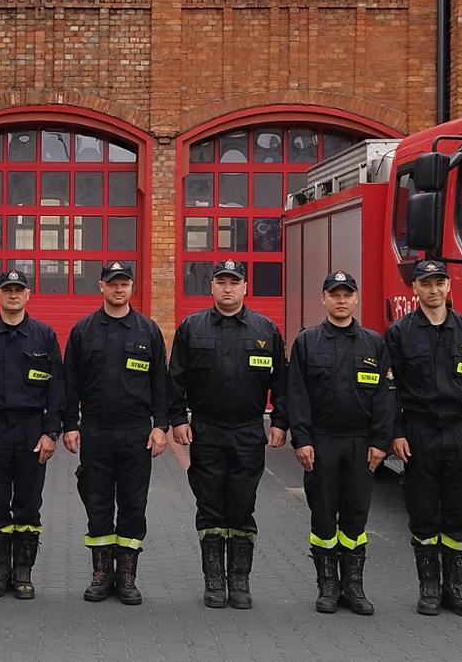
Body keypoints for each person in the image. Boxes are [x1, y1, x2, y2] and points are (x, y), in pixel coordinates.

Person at [167, 259, 287, 609]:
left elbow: (282, 383)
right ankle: (214, 581)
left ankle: (239, 581)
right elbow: (176, 378)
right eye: (221, 281)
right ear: (212, 287)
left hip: (249, 431)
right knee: (209, 507)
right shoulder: (192, 328)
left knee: (242, 506)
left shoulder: (265, 331)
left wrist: (279, 421)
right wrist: (177, 419)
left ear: (245, 287)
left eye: (234, 282)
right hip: (206, 429)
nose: (228, 288)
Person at [279, 271, 396, 616]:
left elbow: (386, 396)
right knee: (324, 517)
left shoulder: (374, 343)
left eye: (347, 294)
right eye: (335, 294)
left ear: (355, 299)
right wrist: (301, 439)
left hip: (362, 445)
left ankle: (353, 587)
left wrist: (381, 441)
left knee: (356, 519)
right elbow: (296, 395)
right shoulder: (307, 342)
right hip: (322, 443)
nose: (341, 300)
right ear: (324, 299)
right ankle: (328, 587)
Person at [385, 259, 462, 618]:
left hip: (458, 431)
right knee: (423, 512)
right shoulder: (400, 333)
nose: (433, 290)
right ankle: (429, 589)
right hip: (418, 433)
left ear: (449, 287)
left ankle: (456, 589)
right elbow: (391, 390)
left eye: (439, 283)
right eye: (426, 284)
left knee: (461, 512)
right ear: (414, 289)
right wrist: (396, 433)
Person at [62, 261, 171, 606]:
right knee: (96, 502)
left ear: (132, 287)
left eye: (124, 283)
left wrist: (161, 427)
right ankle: (100, 573)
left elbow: (160, 384)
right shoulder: (83, 331)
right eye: (112, 284)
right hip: (95, 430)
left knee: (133, 504)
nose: (118, 289)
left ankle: (126, 575)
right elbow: (70, 383)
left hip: (136, 431)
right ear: (101, 287)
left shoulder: (148, 330)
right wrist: (69, 425)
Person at [0, 269, 64, 600]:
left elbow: (56, 388)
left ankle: (22, 573)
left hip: (32, 429)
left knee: (28, 504)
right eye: (7, 290)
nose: (13, 295)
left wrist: (51, 433)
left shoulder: (44, 336)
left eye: (19, 290)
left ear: (28, 295)